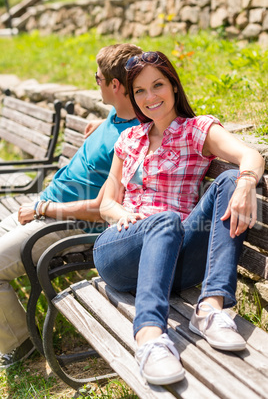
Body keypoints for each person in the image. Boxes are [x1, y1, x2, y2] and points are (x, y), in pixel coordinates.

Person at [93, 51, 265, 385]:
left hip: (177, 261)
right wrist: (124, 212)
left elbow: (249, 155)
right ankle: (149, 338)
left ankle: (211, 309)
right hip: (122, 252)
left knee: (228, 180)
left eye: (157, 85)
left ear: (173, 85)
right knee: (165, 219)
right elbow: (106, 204)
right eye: (139, 91)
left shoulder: (197, 130)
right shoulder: (128, 140)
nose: (149, 97)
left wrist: (246, 182)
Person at [0, 43, 142, 369]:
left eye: (98, 79)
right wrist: (99, 125)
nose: (95, 82)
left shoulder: (133, 138)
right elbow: (113, 123)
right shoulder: (118, 113)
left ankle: (20, 342)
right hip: (47, 209)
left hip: (71, 225)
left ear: (115, 86)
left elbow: (104, 208)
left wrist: (44, 210)